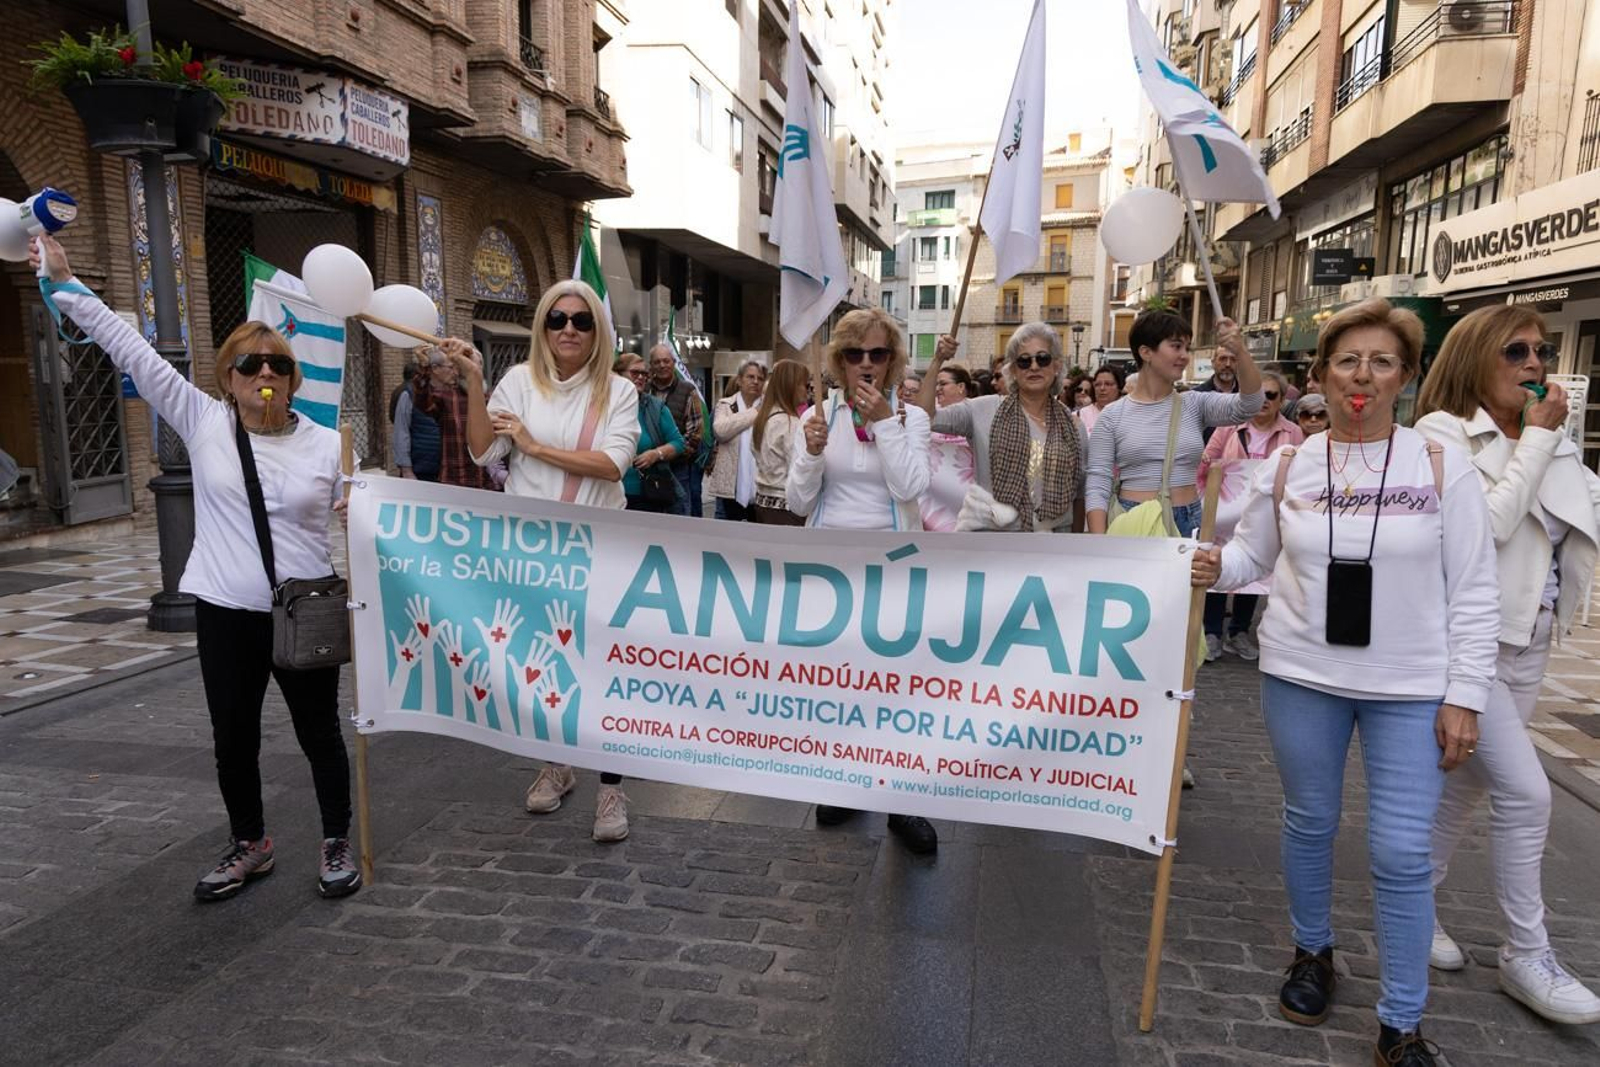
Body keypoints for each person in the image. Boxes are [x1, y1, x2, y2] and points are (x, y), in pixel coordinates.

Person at [1191, 297, 1499, 1067]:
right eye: (1348, 361)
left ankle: (1402, 1022)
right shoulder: (1290, 461)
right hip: (1301, 673)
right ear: (1322, 374)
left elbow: (1474, 587)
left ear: (1407, 377)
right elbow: (1251, 560)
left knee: (1400, 851)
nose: (1363, 376)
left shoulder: (1439, 462)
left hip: (1411, 686)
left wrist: (1466, 694)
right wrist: (1210, 565)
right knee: (1309, 820)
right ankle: (1313, 951)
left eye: (1382, 362)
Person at [33, 234, 361, 902]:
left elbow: (366, 514)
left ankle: (335, 840)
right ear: (228, 375)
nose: (263, 374)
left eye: (277, 364)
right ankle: (251, 842)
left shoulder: (329, 443)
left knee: (320, 733)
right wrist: (67, 283)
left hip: (305, 612)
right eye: (249, 364)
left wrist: (364, 510)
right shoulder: (204, 420)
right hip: (224, 612)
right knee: (232, 737)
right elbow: (132, 351)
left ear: (293, 377)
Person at [1414, 305, 1600, 1025]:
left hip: (1533, 638)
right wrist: (1541, 440)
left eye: (1543, 351)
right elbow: (1485, 527)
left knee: (1465, 789)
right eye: (1516, 350)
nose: (1534, 364)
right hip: (1471, 647)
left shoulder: (1548, 440)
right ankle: (1528, 953)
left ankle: (1415, 911)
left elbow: (1572, 526)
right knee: (1528, 795)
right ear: (1474, 358)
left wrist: (1552, 442)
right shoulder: (1442, 435)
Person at [451, 279, 640, 843]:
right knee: (543, 662)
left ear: (597, 331)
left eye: (581, 321)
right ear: (542, 326)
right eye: (557, 319)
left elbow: (612, 465)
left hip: (599, 549)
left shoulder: (616, 392)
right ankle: (557, 764)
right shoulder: (517, 381)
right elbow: (484, 452)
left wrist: (533, 447)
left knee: (600, 667)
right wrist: (476, 383)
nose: (568, 330)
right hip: (530, 553)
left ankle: (611, 787)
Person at [787, 308, 936, 853]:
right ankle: (845, 783)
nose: (866, 365)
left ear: (893, 361)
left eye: (878, 354)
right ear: (839, 362)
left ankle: (903, 800)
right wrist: (811, 451)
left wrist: (884, 425)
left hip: (894, 571)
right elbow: (800, 501)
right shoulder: (820, 414)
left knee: (898, 690)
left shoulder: (911, 417)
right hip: (833, 572)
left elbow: (911, 485)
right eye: (855, 355)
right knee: (842, 686)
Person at [1085, 310, 1263, 537]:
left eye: (1186, 348)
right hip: (1134, 522)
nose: (1185, 356)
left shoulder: (1195, 403)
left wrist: (1240, 350)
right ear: (1146, 352)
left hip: (1189, 519)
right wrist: (1100, 542)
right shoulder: (1112, 415)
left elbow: (1251, 404)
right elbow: (1098, 481)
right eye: (1176, 346)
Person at [922, 324, 1087, 533]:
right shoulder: (983, 409)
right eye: (1024, 361)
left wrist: (1077, 547)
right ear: (1014, 371)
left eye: (1042, 358)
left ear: (1056, 366)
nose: (1034, 366)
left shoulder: (1073, 427)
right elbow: (925, 415)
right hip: (993, 543)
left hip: (1051, 546)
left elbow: (1079, 494)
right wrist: (938, 360)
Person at [1195, 369, 1302, 662]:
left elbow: (1299, 468)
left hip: (1265, 511)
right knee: (1219, 563)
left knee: (1259, 570)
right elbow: (1208, 458)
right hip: (1226, 512)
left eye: (1271, 395)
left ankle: (1239, 631)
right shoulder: (1228, 426)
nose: (1264, 401)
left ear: (1282, 400)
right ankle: (1212, 631)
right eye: (1259, 395)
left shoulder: (1292, 432)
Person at [409, 347, 497, 490]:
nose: (477, 370)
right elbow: (422, 398)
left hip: (487, 479)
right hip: (455, 479)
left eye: (479, 365)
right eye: (471, 365)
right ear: (459, 369)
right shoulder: (447, 397)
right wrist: (424, 368)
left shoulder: (491, 398)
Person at [614, 353, 689, 515]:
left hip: (647, 495)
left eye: (645, 374)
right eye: (635, 373)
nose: (641, 378)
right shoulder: (601, 405)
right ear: (617, 375)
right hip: (608, 493)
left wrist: (656, 454)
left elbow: (678, 443)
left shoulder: (655, 407)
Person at [749, 358, 810, 526]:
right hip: (786, 507)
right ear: (791, 386)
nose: (808, 391)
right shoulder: (791, 424)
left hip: (762, 503)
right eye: (805, 385)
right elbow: (800, 468)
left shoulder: (762, 419)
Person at [647, 344, 706, 516]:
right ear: (651, 366)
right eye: (657, 362)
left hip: (678, 469)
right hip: (648, 469)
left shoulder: (688, 390)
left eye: (666, 361)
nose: (662, 365)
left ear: (673, 363)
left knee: (679, 516)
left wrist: (669, 454)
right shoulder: (644, 390)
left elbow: (695, 433)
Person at [918, 361, 976, 531]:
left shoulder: (977, 413)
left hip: (968, 505)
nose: (937, 389)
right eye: (936, 384)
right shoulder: (925, 415)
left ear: (961, 387)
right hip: (930, 507)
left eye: (943, 383)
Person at [706, 360, 766, 521]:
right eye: (750, 377)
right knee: (727, 538)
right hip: (730, 487)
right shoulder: (725, 405)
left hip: (762, 487)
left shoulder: (769, 407)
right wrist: (754, 413)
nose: (755, 381)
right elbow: (720, 431)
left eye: (760, 378)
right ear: (739, 380)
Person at [393, 362, 442, 482]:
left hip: (443, 468)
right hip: (420, 469)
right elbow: (401, 432)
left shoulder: (449, 393)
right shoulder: (408, 394)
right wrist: (406, 469)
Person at [1080, 364, 1124, 436]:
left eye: (1108, 384)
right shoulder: (1081, 414)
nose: (1102, 388)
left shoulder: (1128, 415)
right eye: (1097, 384)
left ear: (1119, 387)